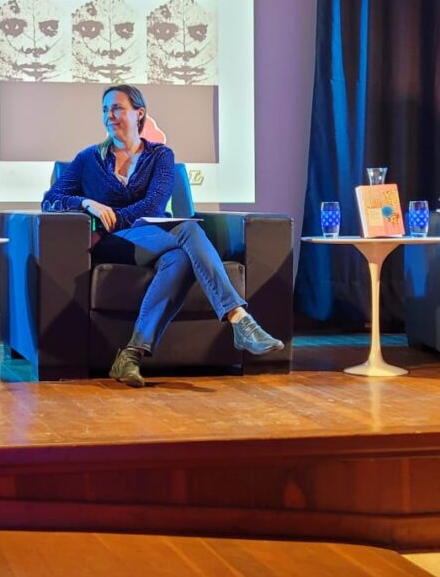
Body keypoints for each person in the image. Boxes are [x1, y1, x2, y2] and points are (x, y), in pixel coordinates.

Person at [42, 84, 285, 387]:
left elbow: (154, 205)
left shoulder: (160, 155)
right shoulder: (88, 158)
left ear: (139, 113)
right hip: (116, 245)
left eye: (117, 108)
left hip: (155, 237)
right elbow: (50, 199)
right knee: (188, 229)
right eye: (105, 109)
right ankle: (240, 320)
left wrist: (115, 217)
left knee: (181, 259)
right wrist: (86, 202)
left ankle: (130, 355)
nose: (110, 116)